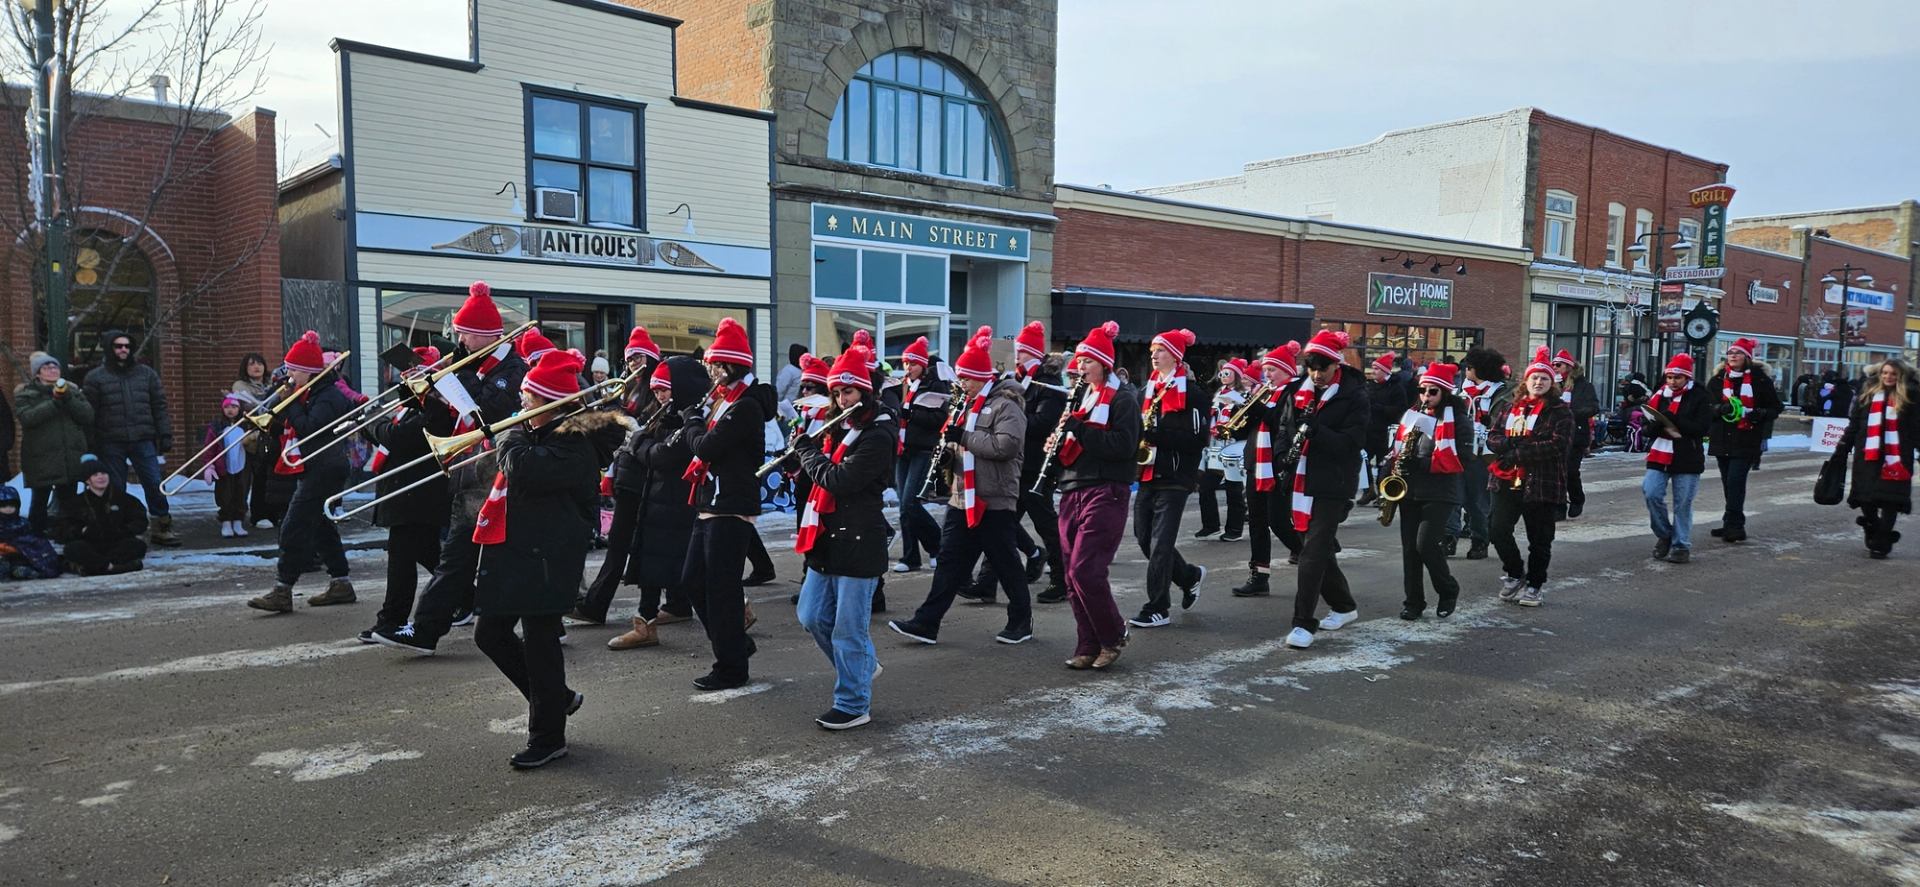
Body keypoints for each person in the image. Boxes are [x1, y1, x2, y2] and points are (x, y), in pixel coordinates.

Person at [471, 350, 613, 769]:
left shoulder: (574, 446)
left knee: (540, 646)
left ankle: (548, 736)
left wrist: (508, 435)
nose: (521, 405)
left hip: (549, 558)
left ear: (551, 404)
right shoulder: (540, 435)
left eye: (529, 400)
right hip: (521, 552)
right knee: (489, 634)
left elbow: (523, 468)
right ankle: (557, 699)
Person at [373, 282, 529, 655]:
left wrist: (452, 380)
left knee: (483, 556)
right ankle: (426, 631)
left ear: (487, 335)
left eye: (465, 334)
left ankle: (545, 622)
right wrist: (420, 389)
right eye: (458, 332)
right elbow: (444, 415)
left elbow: (489, 411)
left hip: (496, 472)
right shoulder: (469, 364)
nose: (458, 340)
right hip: (466, 470)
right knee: (457, 557)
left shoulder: (512, 367)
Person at [888, 327, 1034, 646]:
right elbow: (961, 446)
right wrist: (946, 456)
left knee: (1005, 562)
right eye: (961, 379)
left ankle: (1021, 620)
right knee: (950, 563)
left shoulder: (1006, 405)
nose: (962, 384)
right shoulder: (966, 404)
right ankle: (926, 623)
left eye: (967, 379)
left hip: (993, 497)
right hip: (962, 495)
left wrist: (964, 438)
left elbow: (1006, 446)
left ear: (982, 377)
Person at [787, 343, 897, 729]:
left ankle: (853, 703)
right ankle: (863, 666)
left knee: (849, 628)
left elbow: (842, 479)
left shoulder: (879, 433)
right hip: (828, 537)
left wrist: (807, 454)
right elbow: (820, 468)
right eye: (836, 392)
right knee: (811, 614)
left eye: (847, 391)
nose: (840, 398)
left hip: (860, 538)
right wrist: (801, 451)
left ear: (864, 391)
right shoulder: (843, 429)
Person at [679, 317, 777, 691]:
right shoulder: (727, 400)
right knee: (693, 580)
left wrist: (691, 423)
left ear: (730, 365)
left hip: (730, 503)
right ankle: (736, 643)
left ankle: (731, 665)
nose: (709, 371)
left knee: (721, 588)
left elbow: (706, 446)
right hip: (710, 500)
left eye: (714, 365)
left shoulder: (746, 406)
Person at [600, 357, 710, 649]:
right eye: (657, 389)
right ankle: (645, 621)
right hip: (658, 498)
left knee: (693, 568)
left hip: (679, 502)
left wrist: (637, 443)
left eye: (665, 389)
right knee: (653, 562)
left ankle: (737, 613)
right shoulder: (667, 414)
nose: (659, 395)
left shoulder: (692, 418)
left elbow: (662, 455)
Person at [1050, 321, 1141, 670]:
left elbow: (1122, 447)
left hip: (1107, 489)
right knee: (1072, 575)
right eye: (1080, 362)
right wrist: (1058, 444)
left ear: (1104, 362)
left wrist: (1080, 431)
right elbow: (1076, 445)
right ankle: (1087, 644)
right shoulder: (1081, 400)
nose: (1080, 367)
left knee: (1087, 569)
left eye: (1087, 361)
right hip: (1072, 488)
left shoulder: (1123, 401)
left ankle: (1113, 635)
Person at [247, 331, 357, 613]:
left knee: (294, 525)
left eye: (294, 369)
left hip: (326, 466)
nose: (289, 374)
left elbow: (310, 428)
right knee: (321, 525)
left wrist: (292, 401)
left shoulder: (328, 395)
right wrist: (281, 402)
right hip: (313, 465)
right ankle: (341, 582)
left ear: (308, 372)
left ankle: (283, 589)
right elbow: (280, 420)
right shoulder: (310, 391)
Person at [356, 348, 455, 643]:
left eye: (413, 373)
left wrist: (372, 425)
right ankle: (470, 598)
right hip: (407, 493)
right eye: (405, 374)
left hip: (417, 494)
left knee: (401, 557)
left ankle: (391, 620)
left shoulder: (438, 408)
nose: (406, 379)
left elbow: (398, 437)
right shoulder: (411, 405)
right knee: (430, 555)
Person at [1281, 330, 1367, 651]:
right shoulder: (1298, 391)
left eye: (1323, 368)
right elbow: (1284, 427)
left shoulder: (1354, 394)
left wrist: (1319, 431)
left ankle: (1303, 623)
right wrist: (1280, 458)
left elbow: (1353, 442)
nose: (1316, 375)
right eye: (1311, 367)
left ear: (1337, 365)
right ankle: (1344, 606)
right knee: (1316, 551)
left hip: (1333, 482)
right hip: (1300, 480)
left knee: (1313, 552)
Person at [571, 327, 662, 624]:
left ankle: (608, 605)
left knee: (640, 542)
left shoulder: (654, 389)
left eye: (638, 357)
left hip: (646, 472)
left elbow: (653, 427)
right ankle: (600, 604)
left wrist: (633, 428)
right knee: (624, 542)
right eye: (630, 358)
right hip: (627, 469)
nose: (633, 363)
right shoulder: (623, 389)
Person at [1126, 328, 1209, 629]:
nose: (1153, 355)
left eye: (1160, 350)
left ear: (1175, 355)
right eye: (1152, 351)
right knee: (1144, 538)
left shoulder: (1194, 394)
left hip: (1176, 476)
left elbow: (1197, 439)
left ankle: (1157, 607)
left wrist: (1155, 434)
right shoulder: (1145, 391)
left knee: (1161, 543)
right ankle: (1189, 576)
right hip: (1147, 473)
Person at [986, 321, 1068, 604]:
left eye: (1021, 352)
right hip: (1016, 463)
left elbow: (1044, 423)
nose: (1016, 355)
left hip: (1037, 464)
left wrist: (1009, 421)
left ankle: (1062, 578)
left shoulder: (1050, 384)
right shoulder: (1016, 379)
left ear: (1031, 353)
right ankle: (987, 581)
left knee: (1045, 523)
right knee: (1001, 522)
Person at [1485, 349, 1573, 607]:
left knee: (1540, 539)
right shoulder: (1511, 406)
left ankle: (1535, 584)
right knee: (1497, 530)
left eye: (1544, 379)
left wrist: (1521, 452)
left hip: (1541, 481)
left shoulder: (1560, 411)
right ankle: (1514, 573)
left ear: (1551, 383)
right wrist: (1508, 444)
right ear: (1526, 381)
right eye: (1534, 378)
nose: (1538, 383)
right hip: (1505, 478)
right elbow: (1493, 435)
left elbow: (1558, 445)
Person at [83, 329, 179, 547]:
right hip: (110, 440)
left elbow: (159, 406)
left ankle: (162, 527)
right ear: (109, 348)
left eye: (127, 346)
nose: (123, 349)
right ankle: (121, 528)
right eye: (118, 346)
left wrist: (164, 433)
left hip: (143, 438)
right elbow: (89, 413)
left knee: (155, 484)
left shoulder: (147, 374)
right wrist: (91, 442)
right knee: (116, 488)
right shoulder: (95, 377)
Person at [1391, 363, 1471, 620]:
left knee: (1425, 544)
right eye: (1423, 390)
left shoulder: (1459, 421)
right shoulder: (1411, 416)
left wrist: (1421, 462)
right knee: (1409, 549)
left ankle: (1448, 589)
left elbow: (1463, 459)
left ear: (1445, 392)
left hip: (1440, 491)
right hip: (1410, 489)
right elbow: (1396, 451)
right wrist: (1388, 473)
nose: (1426, 396)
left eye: (1432, 391)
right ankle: (1413, 602)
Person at [1228, 342, 1305, 598]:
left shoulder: (1293, 393)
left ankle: (1312, 556)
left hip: (1275, 465)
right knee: (1258, 522)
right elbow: (1242, 430)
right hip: (1255, 464)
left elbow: (1286, 425)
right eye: (1266, 370)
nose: (1267, 374)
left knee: (1278, 521)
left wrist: (1260, 410)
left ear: (1286, 371)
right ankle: (1259, 576)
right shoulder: (1264, 392)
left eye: (1272, 370)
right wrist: (1240, 413)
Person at [1832, 359, 1919, 559]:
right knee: (1866, 498)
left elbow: (1917, 428)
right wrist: (1842, 447)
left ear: (1901, 376)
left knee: (1890, 500)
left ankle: (1881, 542)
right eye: (1885, 373)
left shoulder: (1912, 396)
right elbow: (1855, 424)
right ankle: (1872, 526)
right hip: (1868, 455)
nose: (1888, 377)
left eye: (1893, 374)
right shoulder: (1868, 394)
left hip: (1896, 456)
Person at [880, 336, 949, 573]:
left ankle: (938, 545)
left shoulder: (935, 386)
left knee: (910, 502)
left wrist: (912, 414)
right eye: (906, 363)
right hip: (903, 449)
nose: (908, 368)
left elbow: (939, 419)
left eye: (913, 363)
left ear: (923, 365)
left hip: (923, 449)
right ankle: (911, 556)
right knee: (903, 506)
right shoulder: (903, 385)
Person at [1705, 338, 1783, 544]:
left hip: (1746, 438)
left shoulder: (1760, 380)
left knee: (1735, 481)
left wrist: (1759, 413)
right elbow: (1706, 407)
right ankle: (1730, 520)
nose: (1732, 356)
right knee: (1728, 483)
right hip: (1722, 438)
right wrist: (1719, 409)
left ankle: (1736, 526)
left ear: (1747, 357)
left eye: (1738, 353)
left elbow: (1776, 407)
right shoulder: (1717, 380)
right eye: (1730, 352)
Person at [1641, 353, 1715, 565]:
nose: (1673, 382)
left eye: (1678, 378)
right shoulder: (1658, 396)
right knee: (1650, 492)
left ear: (1687, 378)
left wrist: (1676, 420)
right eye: (1670, 377)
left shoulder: (1700, 396)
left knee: (1682, 503)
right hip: (1659, 453)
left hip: (1687, 456)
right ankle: (1665, 534)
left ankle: (1681, 545)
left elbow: (1702, 429)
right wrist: (1654, 426)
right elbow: (1646, 427)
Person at [14, 352, 93, 535]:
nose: (52, 370)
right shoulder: (26, 394)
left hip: (69, 457)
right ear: (37, 374)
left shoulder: (72, 392)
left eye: (55, 367)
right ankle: (36, 538)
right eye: (46, 368)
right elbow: (28, 418)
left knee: (70, 502)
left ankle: (68, 536)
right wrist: (55, 402)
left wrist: (68, 399)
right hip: (41, 458)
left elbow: (87, 416)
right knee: (39, 501)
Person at [1450, 348, 1510, 559]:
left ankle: (1479, 541)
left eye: (1469, 367)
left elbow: (1504, 422)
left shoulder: (1501, 393)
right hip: (1459, 448)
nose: (1466, 370)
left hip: (1483, 453)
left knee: (1477, 499)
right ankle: (1449, 538)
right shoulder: (1460, 391)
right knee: (1452, 496)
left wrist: (1488, 423)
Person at [54, 455, 147, 576]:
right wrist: (81, 531)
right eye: (95, 475)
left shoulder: (124, 499)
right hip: (89, 544)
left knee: (137, 546)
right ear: (88, 480)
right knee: (73, 549)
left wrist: (124, 530)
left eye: (103, 473)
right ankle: (114, 567)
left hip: (117, 541)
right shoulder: (75, 503)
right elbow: (61, 528)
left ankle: (94, 568)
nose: (101, 477)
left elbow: (140, 520)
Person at [1195, 359, 1249, 542]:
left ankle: (1234, 529)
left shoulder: (1244, 396)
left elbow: (1246, 422)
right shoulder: (1218, 393)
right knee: (1205, 486)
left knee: (1233, 489)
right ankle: (1210, 525)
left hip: (1232, 444)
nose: (1223, 376)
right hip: (1215, 445)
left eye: (1228, 372)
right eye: (1222, 373)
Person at [1551, 350, 1601, 518]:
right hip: (1555, 435)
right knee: (1556, 471)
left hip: (1576, 434)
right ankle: (1559, 506)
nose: (1555, 368)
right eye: (1554, 365)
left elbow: (1593, 407)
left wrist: (1571, 413)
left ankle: (1577, 498)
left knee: (1570, 470)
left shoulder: (1584, 386)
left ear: (1569, 367)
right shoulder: (1552, 385)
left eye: (1559, 365)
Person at [200, 394, 255, 537]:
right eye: (227, 407)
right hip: (223, 468)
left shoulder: (245, 425)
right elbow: (209, 447)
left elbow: (254, 444)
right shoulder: (217, 427)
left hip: (242, 466)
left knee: (241, 494)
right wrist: (209, 465)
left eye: (234, 407)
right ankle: (226, 522)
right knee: (225, 495)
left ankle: (238, 522)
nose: (230, 410)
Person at [1360, 352, 1408, 507]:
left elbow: (1400, 409)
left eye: (1376, 369)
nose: (1373, 372)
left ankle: (1382, 494)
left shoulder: (1396, 388)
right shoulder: (1370, 386)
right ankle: (1368, 490)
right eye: (1373, 368)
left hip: (1386, 432)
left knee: (1384, 465)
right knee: (1363, 461)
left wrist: (1378, 408)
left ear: (1385, 371)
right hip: (1369, 430)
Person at [0, 485, 61, 579]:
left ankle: (22, 570)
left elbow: (33, 541)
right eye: (3, 506)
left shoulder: (23, 523)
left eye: (12, 505)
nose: (8, 508)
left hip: (21, 556)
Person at [774, 342, 807, 423]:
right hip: (793, 410)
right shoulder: (798, 371)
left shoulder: (789, 370)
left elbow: (779, 391)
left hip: (789, 411)